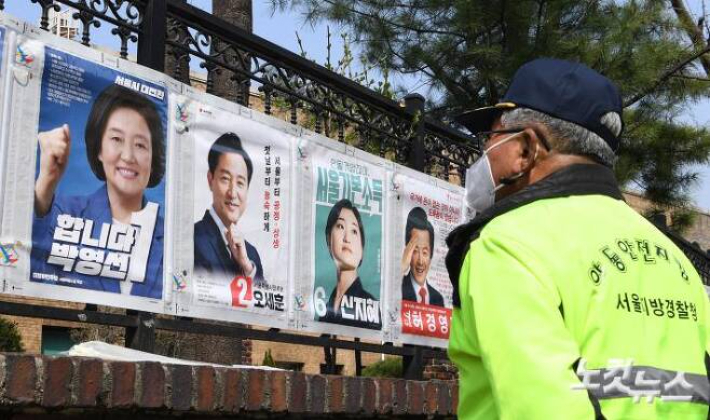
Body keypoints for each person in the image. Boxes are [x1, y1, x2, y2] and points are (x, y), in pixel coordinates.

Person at [446, 58, 710, 419]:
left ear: (525, 148)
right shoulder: (675, 260)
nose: (484, 154)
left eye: (491, 138)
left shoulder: (508, 245)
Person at [31, 83, 165, 299]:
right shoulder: (65, 213)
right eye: (116, 139)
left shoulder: (168, 237)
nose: (129, 156)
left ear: (153, 155)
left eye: (140, 145)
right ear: (99, 148)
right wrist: (45, 183)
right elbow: (31, 261)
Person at [194, 133, 265, 285]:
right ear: (210, 179)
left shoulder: (251, 255)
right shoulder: (193, 238)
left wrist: (246, 266)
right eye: (225, 179)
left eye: (240, 183)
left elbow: (265, 305)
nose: (233, 193)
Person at [318, 199, 381, 330]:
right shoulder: (323, 309)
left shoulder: (370, 307)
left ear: (362, 250)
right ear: (329, 239)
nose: (347, 238)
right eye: (340, 226)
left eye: (354, 231)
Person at [400, 207, 444, 307]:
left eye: (425, 252)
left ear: (431, 254)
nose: (420, 261)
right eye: (415, 251)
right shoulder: (397, 289)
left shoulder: (438, 299)